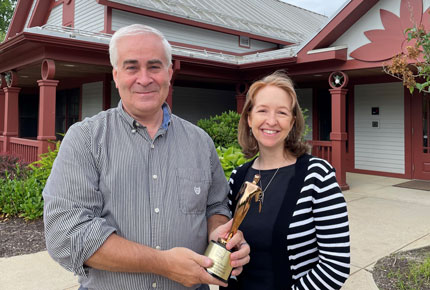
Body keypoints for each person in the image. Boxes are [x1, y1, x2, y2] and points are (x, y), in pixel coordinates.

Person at [43, 24, 250, 290]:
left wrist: (220, 234)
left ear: (169, 72)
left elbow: (215, 207)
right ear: (116, 75)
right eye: (131, 67)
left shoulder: (200, 142)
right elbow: (67, 235)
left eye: (154, 66)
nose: (144, 78)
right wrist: (162, 263)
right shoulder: (85, 139)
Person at [223, 71, 350, 289]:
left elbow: (336, 265)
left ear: (292, 122)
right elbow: (229, 249)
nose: (271, 121)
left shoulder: (317, 176)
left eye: (282, 112)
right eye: (262, 110)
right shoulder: (238, 178)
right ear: (249, 118)